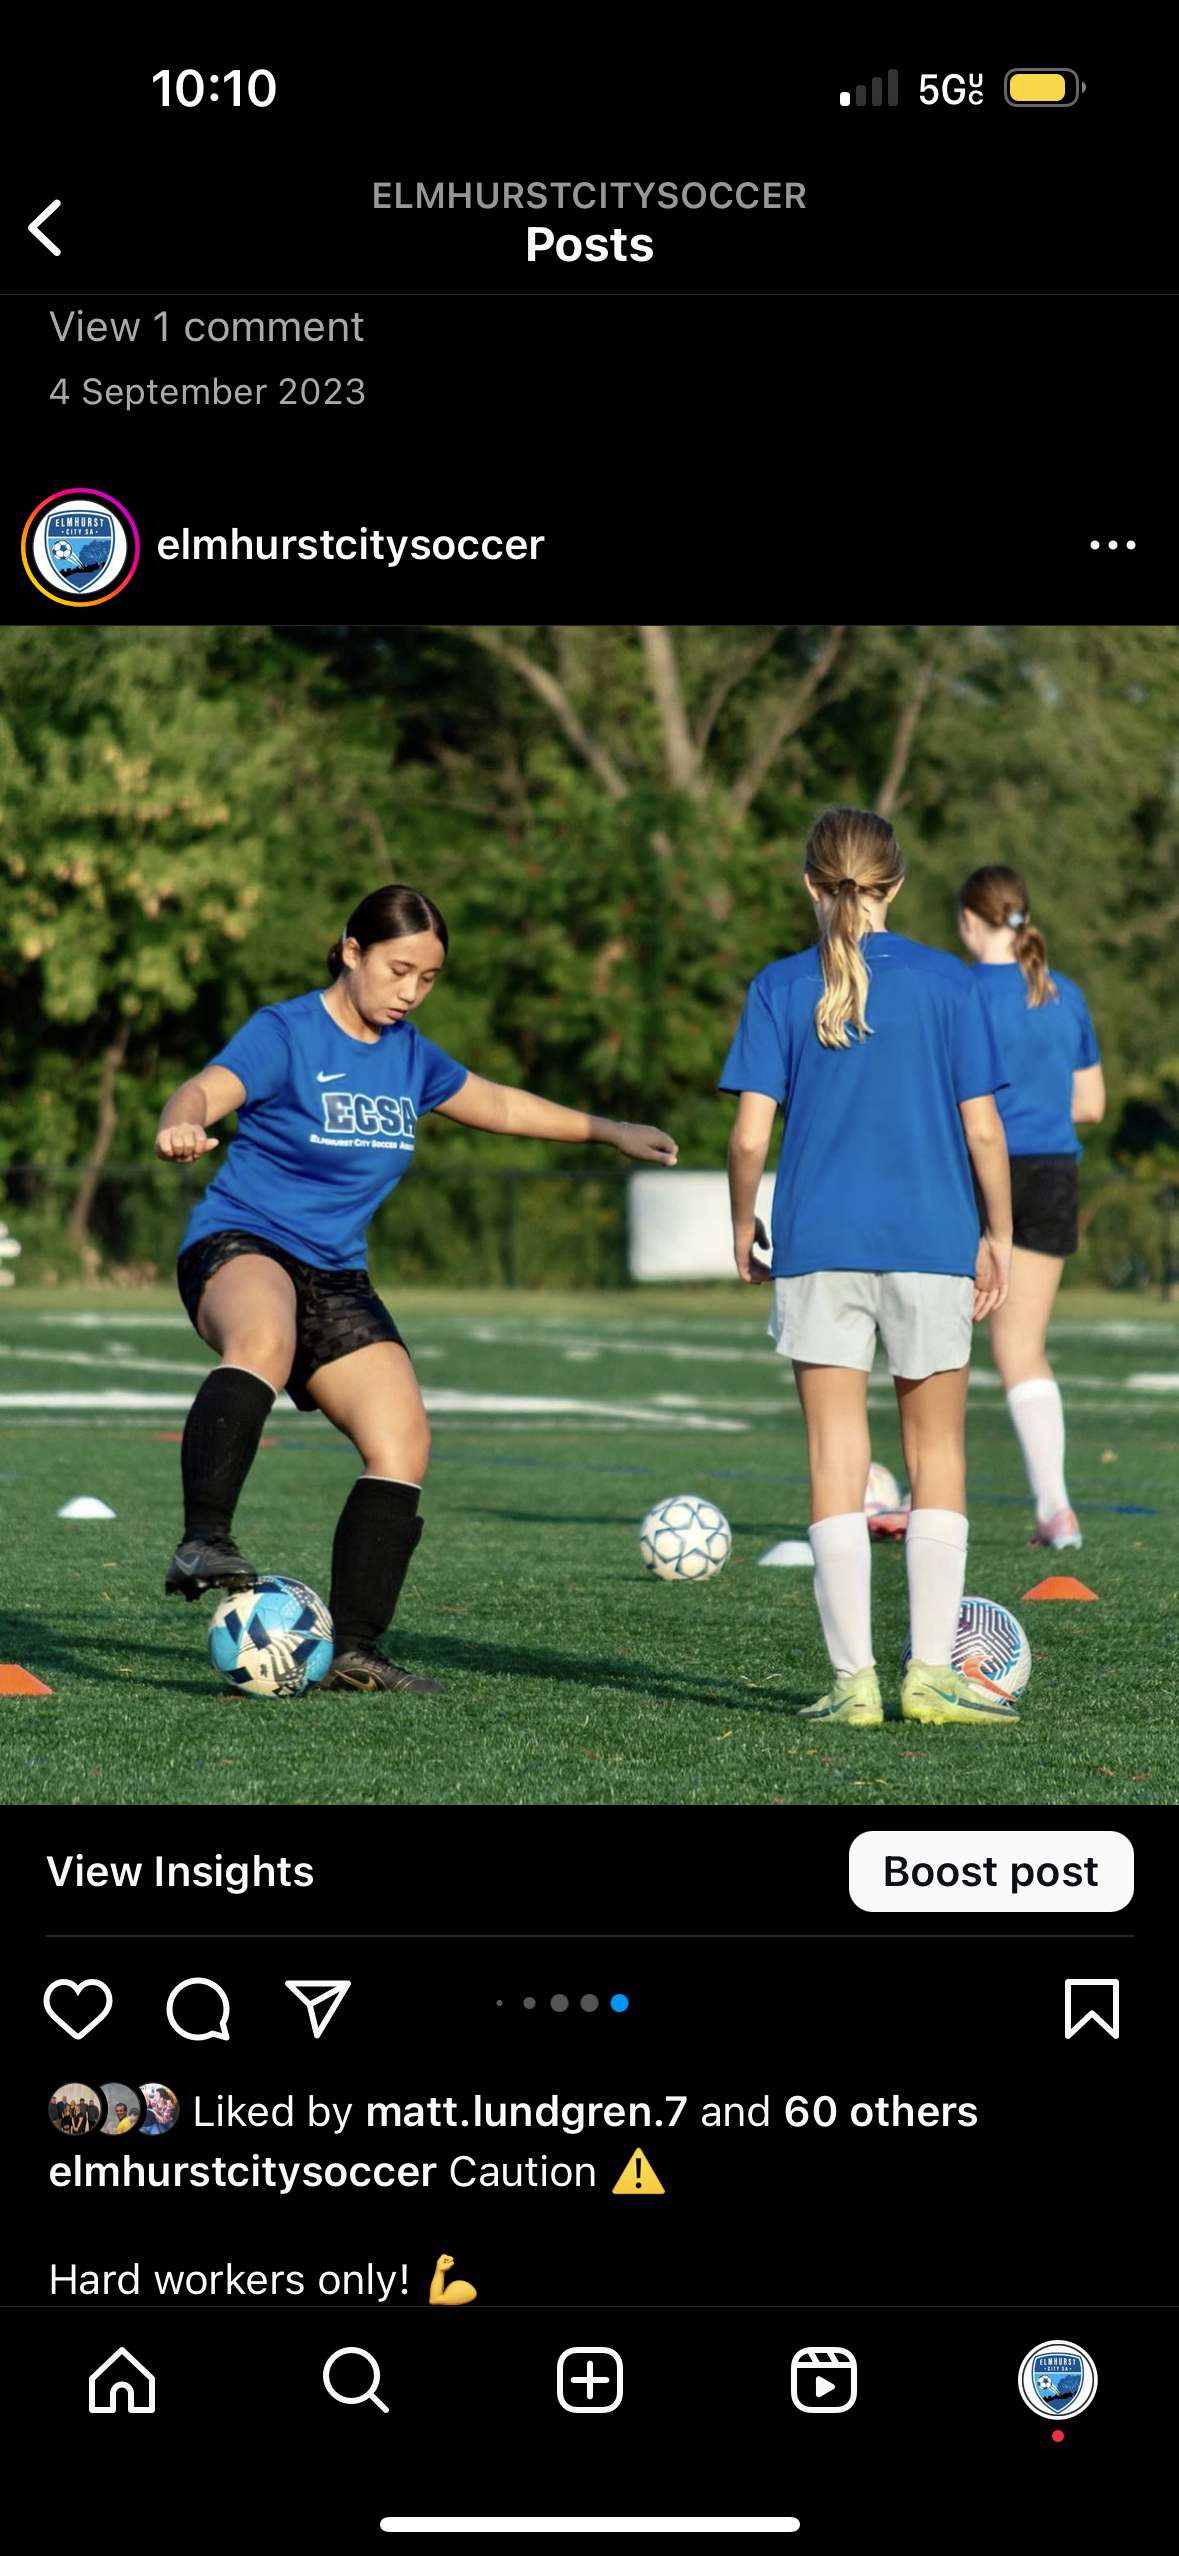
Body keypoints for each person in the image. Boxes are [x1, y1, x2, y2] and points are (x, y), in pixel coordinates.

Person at [156, 882, 676, 1694]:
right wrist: (179, 1122)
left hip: (335, 1271)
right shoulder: (285, 1031)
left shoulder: (411, 1055)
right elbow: (204, 1089)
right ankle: (203, 1539)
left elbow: (498, 1104)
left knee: (402, 1444)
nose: (409, 992)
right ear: (351, 951)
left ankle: (355, 1647)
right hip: (241, 1241)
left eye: (427, 978)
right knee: (264, 1338)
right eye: (398, 970)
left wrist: (609, 1130)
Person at [721, 805, 1018, 1729]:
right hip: (931, 1244)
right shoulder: (948, 983)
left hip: (816, 1247)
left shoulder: (777, 985)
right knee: (936, 1456)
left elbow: (744, 1138)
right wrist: (997, 1232)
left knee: (833, 1459)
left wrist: (743, 1222)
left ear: (810, 884)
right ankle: (928, 1675)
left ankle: (851, 1684)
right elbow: (981, 1128)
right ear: (896, 885)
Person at [958, 867, 1105, 1550]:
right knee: (1021, 1349)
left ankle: (920, 1498)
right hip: (1050, 1173)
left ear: (967, 921)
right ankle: (1055, 1508)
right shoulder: (1062, 992)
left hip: (970, 1172)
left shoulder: (955, 991)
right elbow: (1090, 1106)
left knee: (934, 1341)